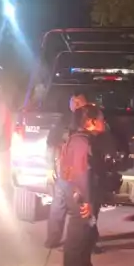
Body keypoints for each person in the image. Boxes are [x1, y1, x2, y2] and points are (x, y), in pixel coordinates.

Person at [57, 104, 110, 266]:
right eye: (102, 119)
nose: (104, 122)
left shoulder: (86, 139)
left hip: (82, 193)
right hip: (79, 195)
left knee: (87, 235)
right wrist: (86, 201)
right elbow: (81, 173)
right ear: (90, 122)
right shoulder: (81, 142)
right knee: (77, 236)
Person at [45, 92, 88, 249]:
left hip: (81, 171)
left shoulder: (91, 121)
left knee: (82, 207)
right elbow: (50, 145)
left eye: (79, 102)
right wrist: (49, 168)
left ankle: (86, 242)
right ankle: (53, 239)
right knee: (59, 205)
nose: (75, 105)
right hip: (64, 170)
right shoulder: (62, 122)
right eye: (73, 102)